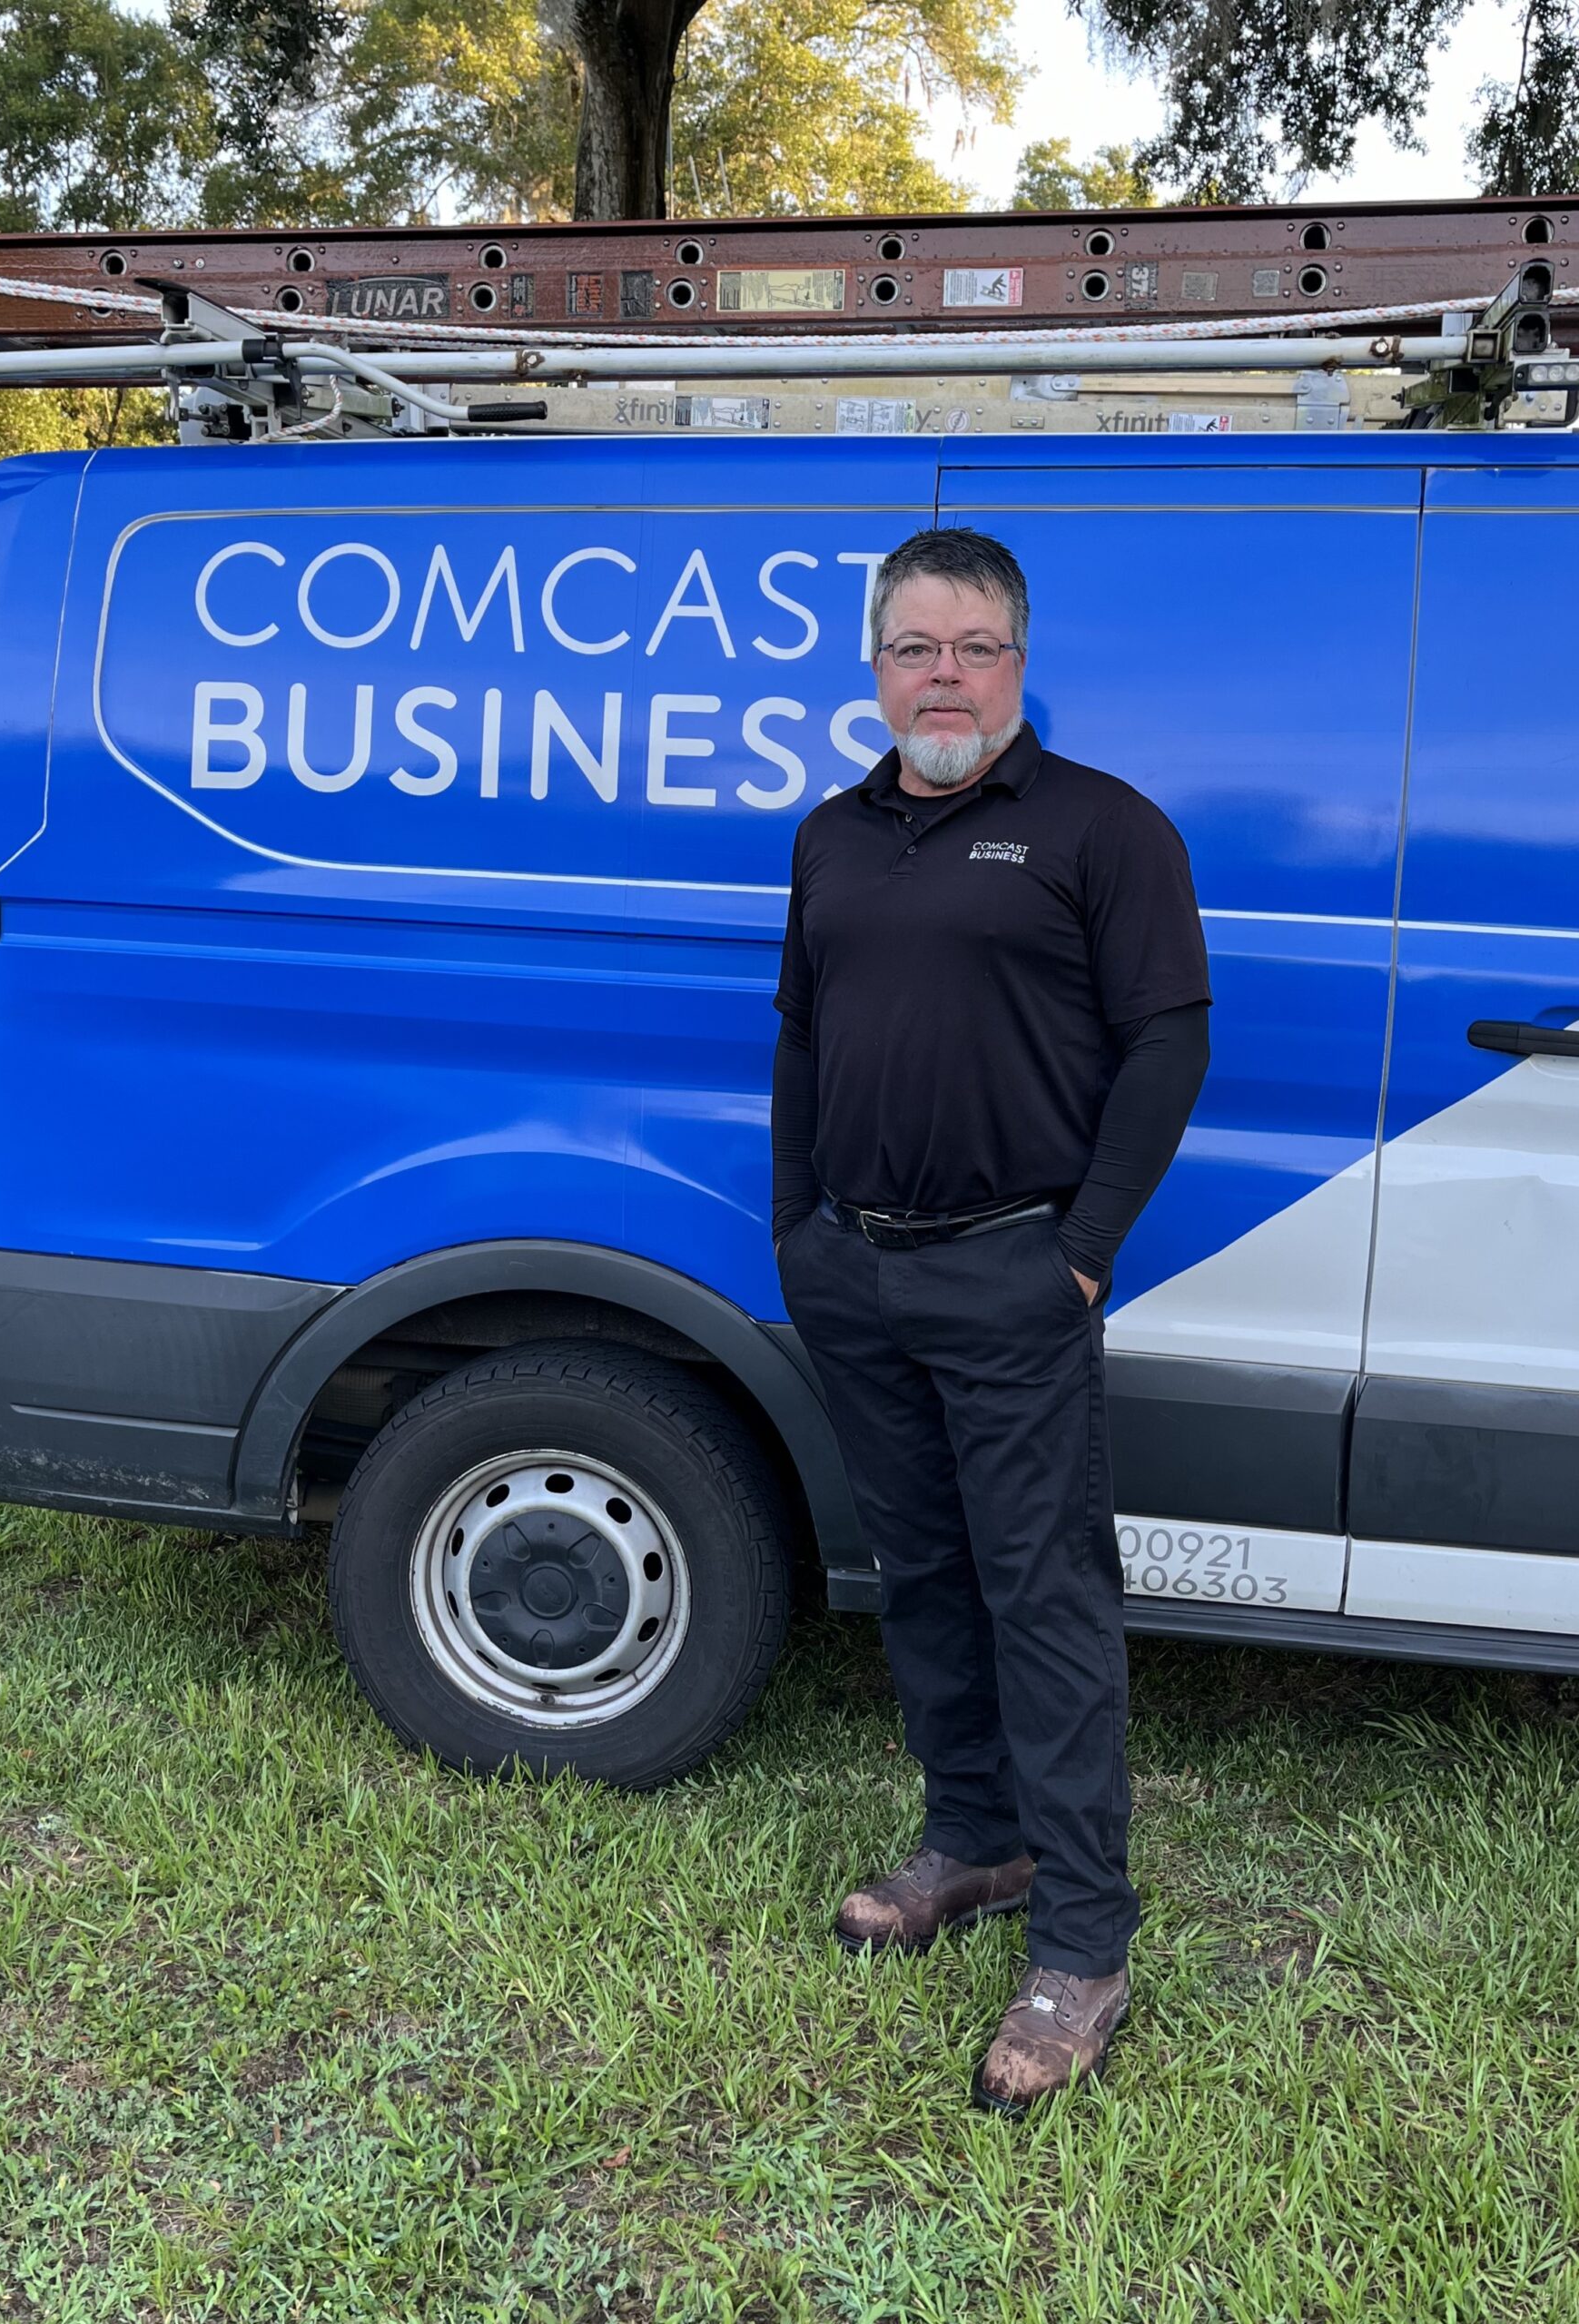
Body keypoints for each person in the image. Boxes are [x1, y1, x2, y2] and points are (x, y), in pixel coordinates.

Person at [771, 527, 1210, 2115]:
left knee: (1045, 1592)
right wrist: (796, 1231)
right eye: (914, 646)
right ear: (875, 665)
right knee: (927, 1572)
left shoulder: (1101, 829)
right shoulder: (831, 838)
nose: (942, 675)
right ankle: (975, 1836)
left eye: (974, 648)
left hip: (1020, 1271)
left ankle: (1084, 1939)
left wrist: (1082, 1255)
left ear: (1020, 666)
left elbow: (1168, 1048)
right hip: (862, 1274)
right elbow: (802, 1045)